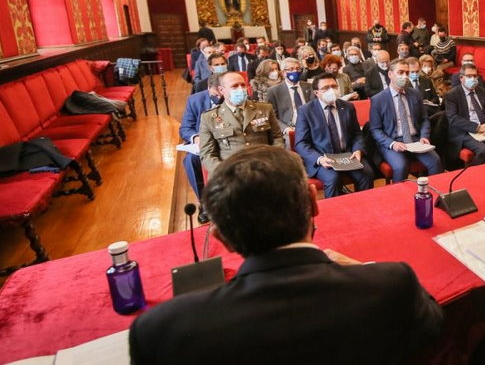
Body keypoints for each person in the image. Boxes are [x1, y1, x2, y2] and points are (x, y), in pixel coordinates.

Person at [129, 146, 443, 364]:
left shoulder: (160, 330)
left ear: (222, 238)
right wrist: (363, 269)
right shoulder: (390, 283)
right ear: (313, 201)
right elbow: (434, 328)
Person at [293, 74, 374, 198]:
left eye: (334, 86)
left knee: (367, 174)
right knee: (333, 179)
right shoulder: (306, 111)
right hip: (322, 157)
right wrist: (319, 159)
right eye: (325, 88)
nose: (331, 90)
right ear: (316, 92)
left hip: (347, 155)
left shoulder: (348, 107)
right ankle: (334, 212)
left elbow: (357, 134)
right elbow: (301, 143)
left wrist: (358, 149)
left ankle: (364, 206)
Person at [369, 60, 443, 182]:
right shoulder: (378, 100)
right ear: (390, 74)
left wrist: (424, 136)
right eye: (400, 72)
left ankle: (433, 195)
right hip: (393, 141)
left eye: (407, 73)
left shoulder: (415, 94)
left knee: (435, 161)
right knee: (401, 166)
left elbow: (424, 119)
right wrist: (392, 144)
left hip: (415, 140)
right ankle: (399, 198)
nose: (404, 76)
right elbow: (375, 129)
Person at [199, 72, 283, 174]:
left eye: (242, 85)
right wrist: (223, 172)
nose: (241, 89)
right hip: (230, 174)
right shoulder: (209, 118)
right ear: (222, 90)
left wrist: (273, 161)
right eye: (234, 86)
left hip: (264, 169)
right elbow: (207, 154)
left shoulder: (265, 109)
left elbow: (277, 138)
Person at [178, 73, 224, 221]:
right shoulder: (194, 100)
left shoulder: (231, 97)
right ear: (209, 88)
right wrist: (196, 137)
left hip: (227, 141)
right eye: (215, 94)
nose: (218, 97)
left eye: (221, 93)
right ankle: (204, 203)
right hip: (203, 143)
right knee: (191, 161)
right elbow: (185, 128)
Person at [266, 58, 313, 135]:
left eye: (298, 69)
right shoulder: (274, 91)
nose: (295, 71)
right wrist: (285, 129)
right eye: (291, 69)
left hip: (311, 126)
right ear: (283, 73)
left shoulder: (309, 87)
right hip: (290, 129)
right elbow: (271, 116)